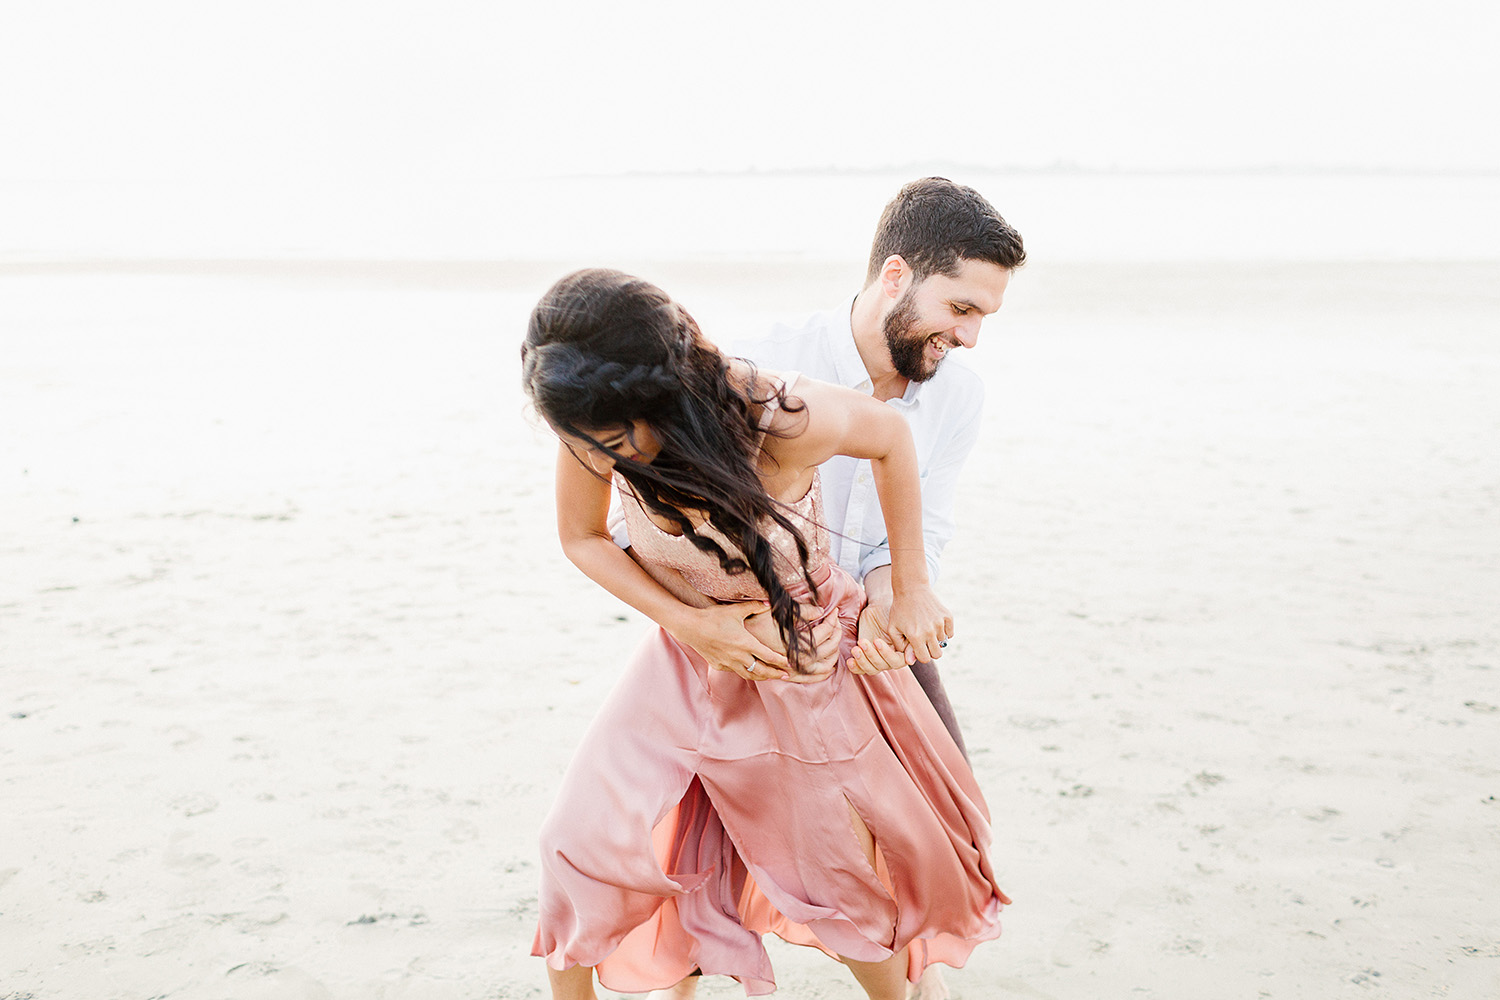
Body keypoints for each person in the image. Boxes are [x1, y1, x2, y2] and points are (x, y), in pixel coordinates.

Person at [522, 269, 1009, 1000]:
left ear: (664, 396)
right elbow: (582, 538)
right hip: (685, 655)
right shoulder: (591, 417)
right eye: (584, 443)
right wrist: (694, 623)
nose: (600, 460)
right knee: (577, 840)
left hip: (800, 659)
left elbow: (890, 437)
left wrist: (909, 587)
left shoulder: (781, 417)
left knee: (839, 882)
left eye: (617, 441)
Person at [629, 177, 1027, 764]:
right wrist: (697, 625)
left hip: (874, 631)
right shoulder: (756, 362)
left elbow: (927, 526)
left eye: (983, 316)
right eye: (960, 308)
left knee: (958, 821)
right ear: (895, 278)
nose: (969, 337)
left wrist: (889, 595)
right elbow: (636, 522)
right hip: (746, 635)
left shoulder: (959, 395)